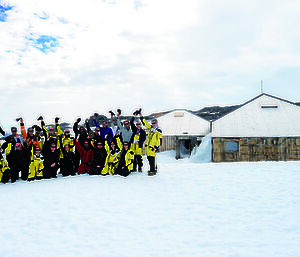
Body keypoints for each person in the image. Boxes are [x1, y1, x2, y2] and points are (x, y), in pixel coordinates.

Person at [139, 111, 162, 176]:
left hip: (153, 147)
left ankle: (153, 170)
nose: (153, 124)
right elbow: (145, 123)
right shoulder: (150, 129)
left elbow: (159, 140)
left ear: (157, 123)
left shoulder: (158, 131)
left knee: (152, 159)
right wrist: (141, 116)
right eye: (152, 123)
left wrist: (156, 147)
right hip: (148, 147)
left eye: (154, 123)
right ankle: (152, 168)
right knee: (149, 158)